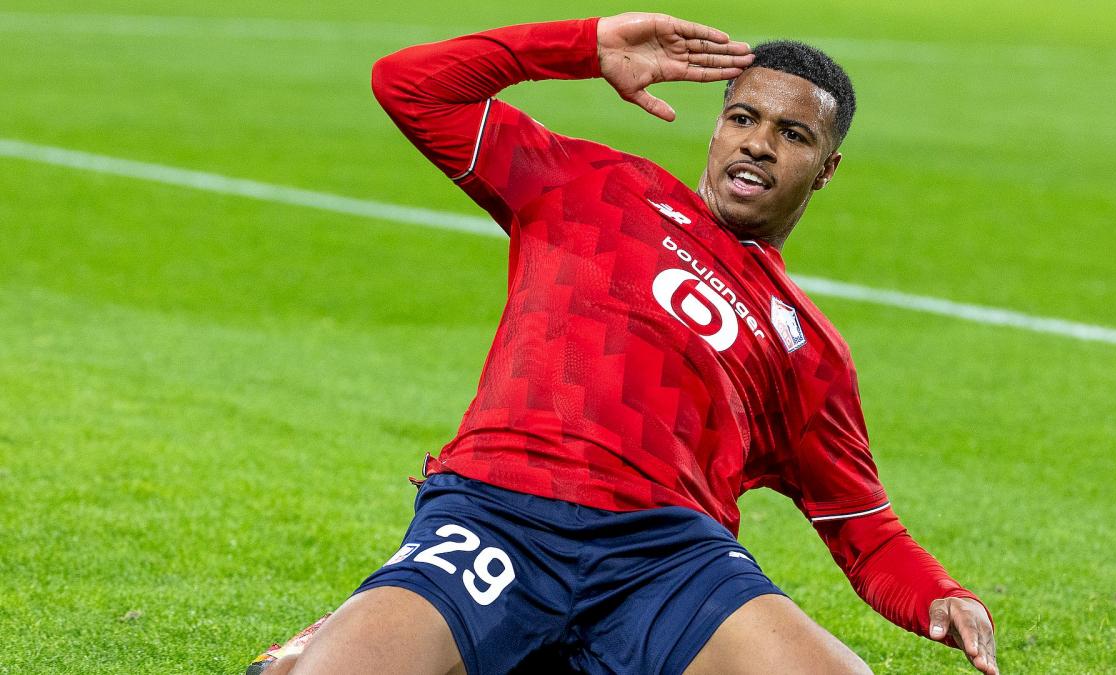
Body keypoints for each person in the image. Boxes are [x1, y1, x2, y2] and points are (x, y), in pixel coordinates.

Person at [249, 12, 997, 675]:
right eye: (743, 118)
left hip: (667, 559)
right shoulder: (592, 185)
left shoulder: (808, 349)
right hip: (502, 512)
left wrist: (942, 594)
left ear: (825, 170)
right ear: (717, 126)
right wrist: (582, 44)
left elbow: (864, 529)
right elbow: (408, 85)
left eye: (792, 134)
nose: (759, 144)